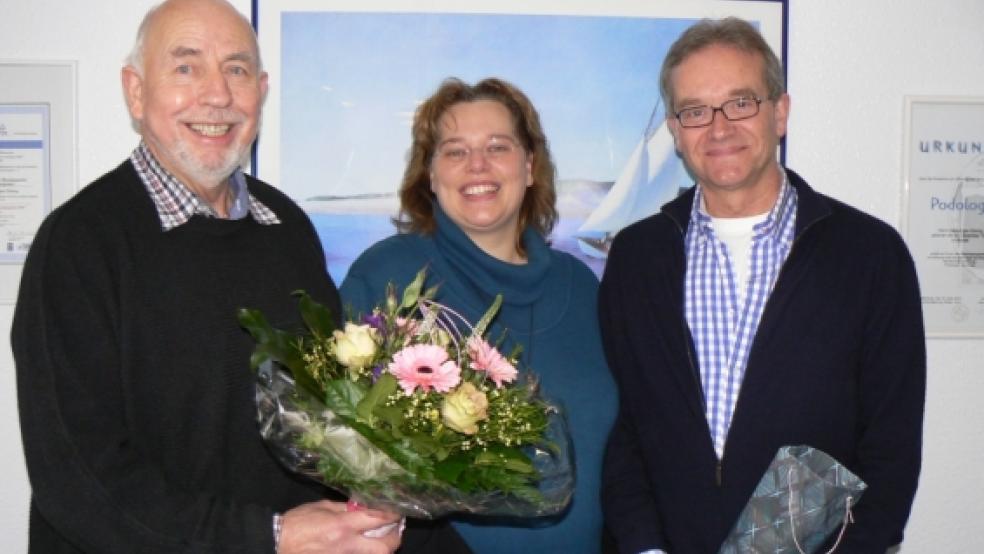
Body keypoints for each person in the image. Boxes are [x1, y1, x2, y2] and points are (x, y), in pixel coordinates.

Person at [10, 0, 468, 552]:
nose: (218, 94)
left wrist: (388, 494)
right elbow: (79, 484)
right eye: (186, 67)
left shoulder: (286, 227)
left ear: (261, 89)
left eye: (237, 69)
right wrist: (268, 537)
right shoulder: (80, 245)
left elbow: (327, 419)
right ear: (135, 91)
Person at [599, 17, 925, 554]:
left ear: (780, 112)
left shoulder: (869, 255)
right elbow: (624, 429)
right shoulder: (637, 257)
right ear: (677, 132)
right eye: (696, 111)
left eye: (741, 102)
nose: (719, 127)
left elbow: (891, 450)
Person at [339, 77, 618, 553]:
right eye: (454, 151)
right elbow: (342, 450)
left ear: (530, 167)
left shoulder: (584, 287)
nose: (478, 166)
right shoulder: (387, 279)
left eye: (498, 146)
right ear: (429, 174)